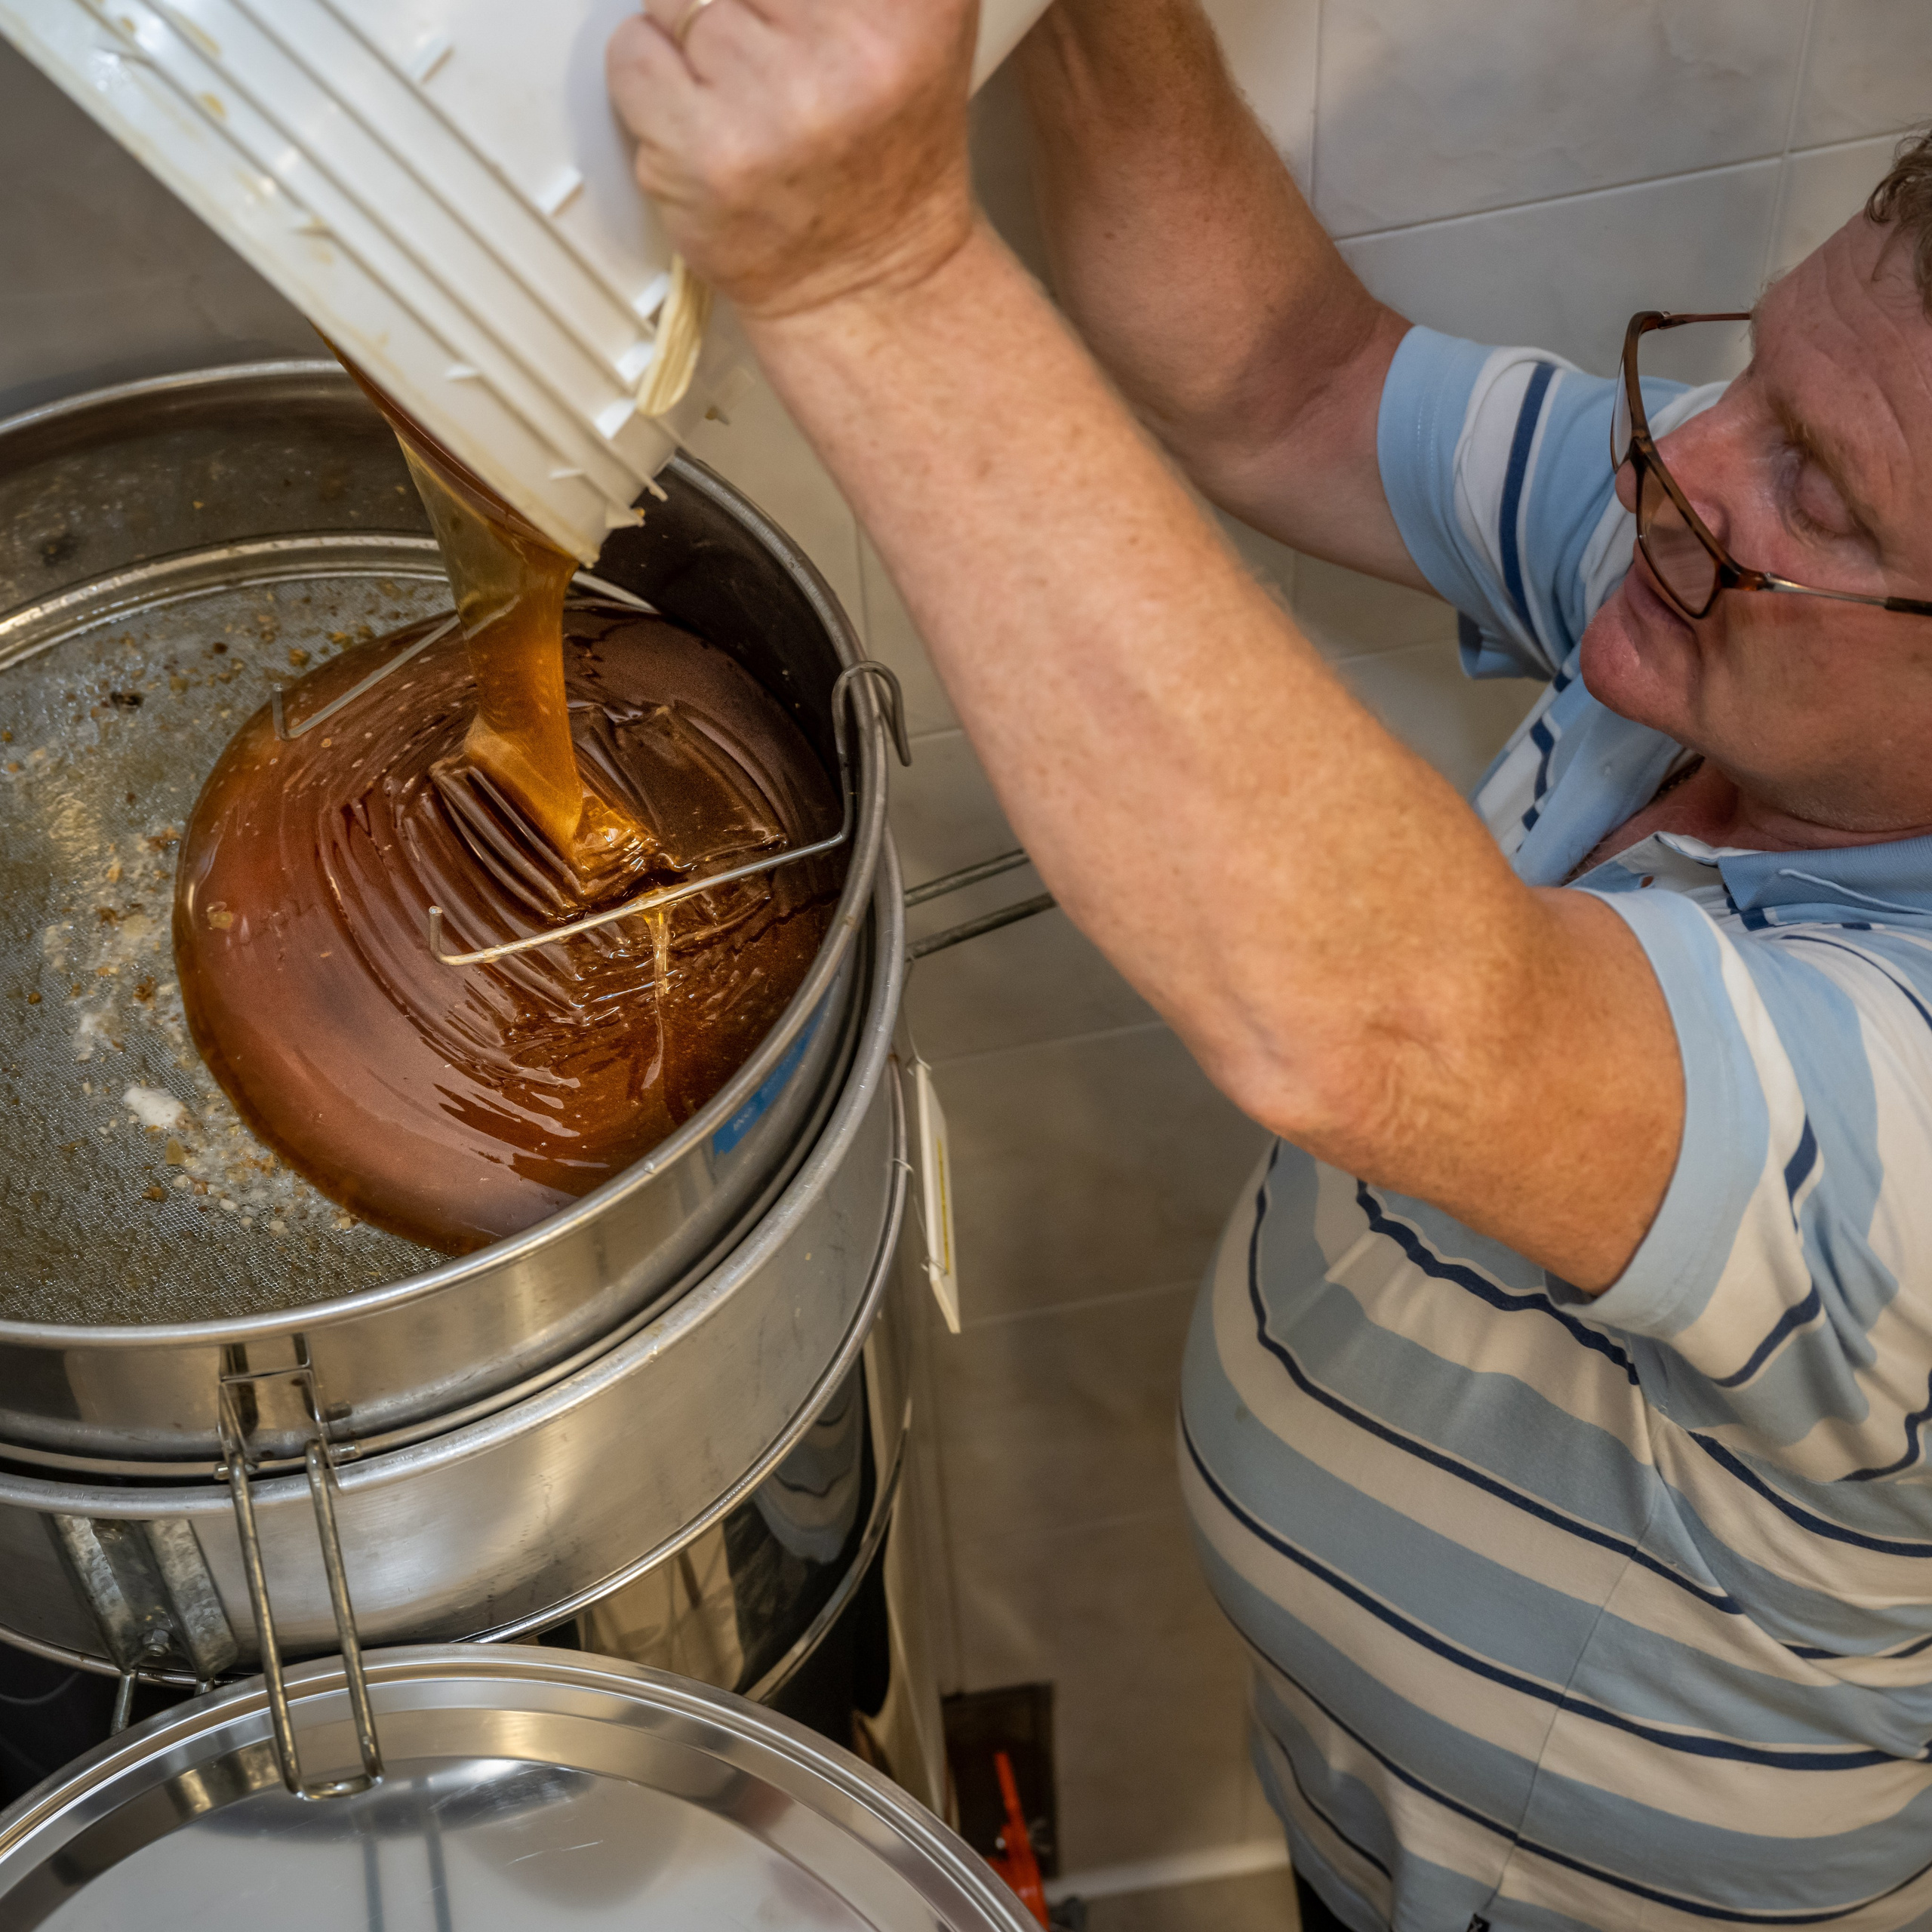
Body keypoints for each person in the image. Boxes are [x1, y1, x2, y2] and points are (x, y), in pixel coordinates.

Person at [607, 2, 1932, 1924]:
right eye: (1743, 373)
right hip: (1358, 1810)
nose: (1682, 458)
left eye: (1816, 482)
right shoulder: (1723, 616)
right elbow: (1290, 384)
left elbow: (1389, 1021)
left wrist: (867, 264)